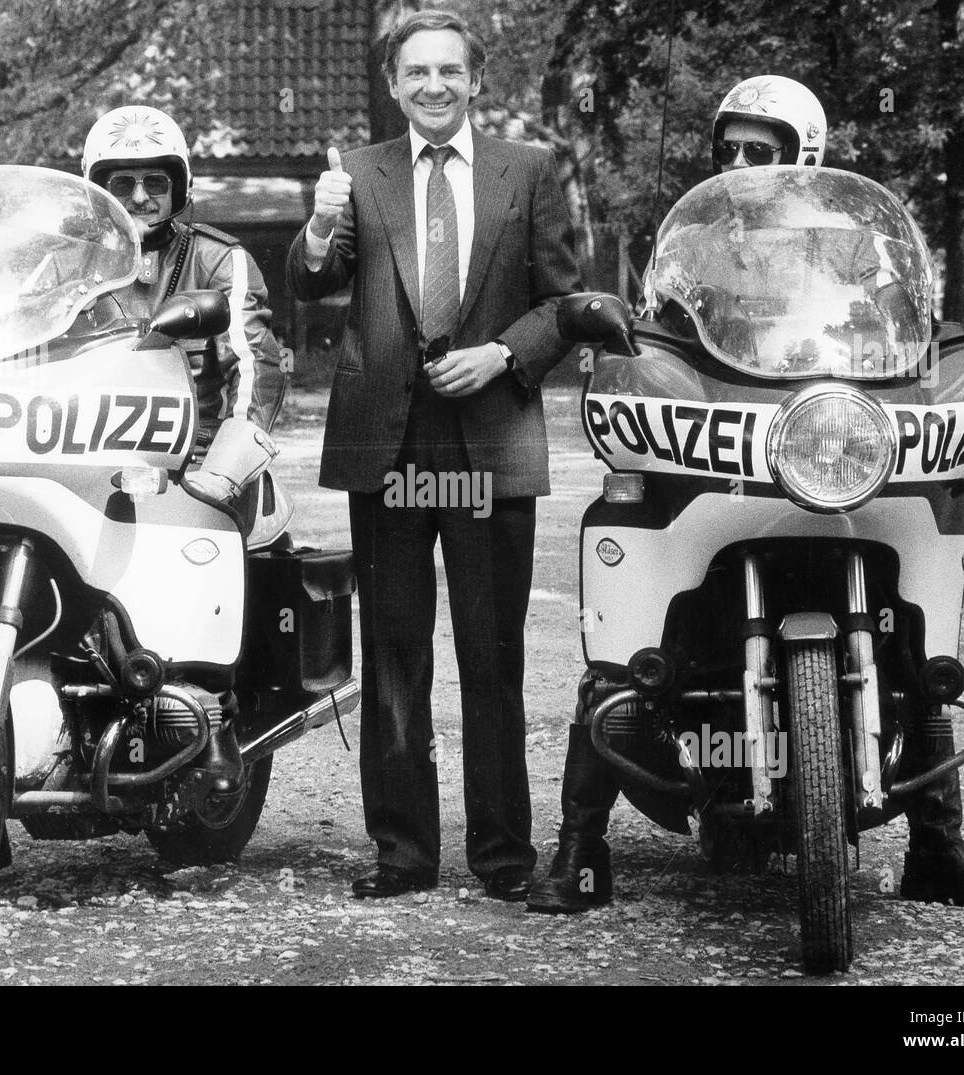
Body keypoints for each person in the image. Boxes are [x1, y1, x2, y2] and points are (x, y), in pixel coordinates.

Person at [527, 74, 964, 914]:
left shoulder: (855, 242)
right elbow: (661, 330)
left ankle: (938, 849)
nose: (739, 161)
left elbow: (900, 328)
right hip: (731, 448)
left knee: (919, 654)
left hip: (833, 440)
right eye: (728, 147)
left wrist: (951, 351)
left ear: (805, 153)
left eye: (759, 149)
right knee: (625, 628)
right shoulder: (692, 245)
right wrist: (622, 334)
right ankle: (577, 850)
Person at [286, 9, 581, 900]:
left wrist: (503, 354)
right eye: (417, 74)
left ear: (476, 81)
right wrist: (315, 230)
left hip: (491, 440)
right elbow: (310, 286)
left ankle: (502, 857)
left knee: (493, 657)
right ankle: (404, 854)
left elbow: (565, 302)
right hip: (390, 446)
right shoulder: (359, 175)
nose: (434, 87)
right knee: (395, 651)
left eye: (450, 72)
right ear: (394, 84)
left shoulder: (529, 172)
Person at [82, 106, 285, 502]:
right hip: (83, 454)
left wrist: (223, 473)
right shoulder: (66, 265)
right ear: (98, 189)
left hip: (194, 461)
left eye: (155, 182)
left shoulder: (220, 259)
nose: (140, 197)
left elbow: (256, 364)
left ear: (180, 185)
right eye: (123, 183)